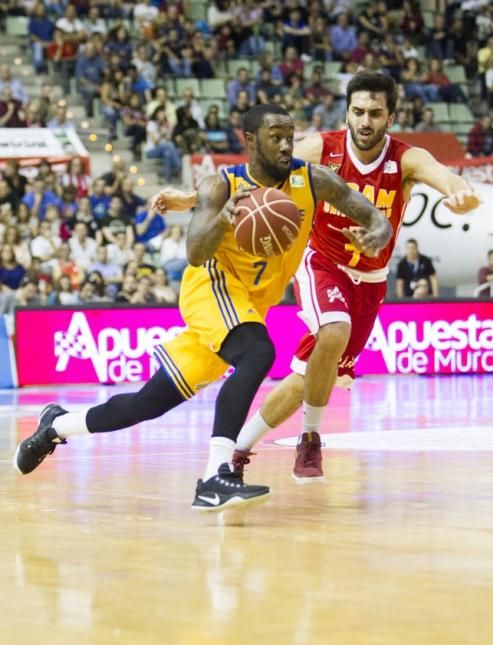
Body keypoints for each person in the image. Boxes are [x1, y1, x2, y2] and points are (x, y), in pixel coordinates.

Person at [13, 103, 391, 513]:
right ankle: (215, 476)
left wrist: (378, 230)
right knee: (258, 352)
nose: (286, 146)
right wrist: (224, 220)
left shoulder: (311, 179)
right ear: (249, 142)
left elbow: (369, 212)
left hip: (246, 305)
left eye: (289, 136)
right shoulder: (220, 186)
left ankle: (56, 425)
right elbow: (194, 252)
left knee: (149, 403)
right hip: (211, 287)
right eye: (275, 137)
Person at [152, 72, 482, 483]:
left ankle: (239, 449)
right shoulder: (320, 149)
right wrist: (194, 198)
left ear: (390, 117)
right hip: (321, 264)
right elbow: (252, 173)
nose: (365, 121)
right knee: (334, 329)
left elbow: (447, 178)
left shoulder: (406, 159)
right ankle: (311, 438)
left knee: (306, 378)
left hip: (371, 279)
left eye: (375, 113)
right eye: (357, 111)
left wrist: (460, 194)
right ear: (347, 112)